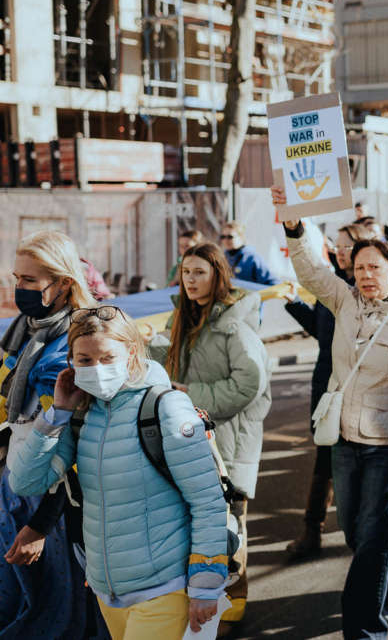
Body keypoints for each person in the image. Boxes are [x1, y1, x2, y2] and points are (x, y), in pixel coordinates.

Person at [272, 182, 388, 638]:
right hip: (344, 441)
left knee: (375, 535)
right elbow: (309, 268)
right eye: (360, 267)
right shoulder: (341, 301)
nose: (366, 275)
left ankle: (364, 631)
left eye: (375, 268)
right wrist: (293, 224)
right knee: (354, 532)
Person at [9, 306, 227, 638]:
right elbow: (24, 481)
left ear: (132, 353)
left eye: (107, 358)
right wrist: (57, 415)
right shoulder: (82, 414)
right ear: (71, 362)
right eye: (84, 360)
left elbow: (208, 502)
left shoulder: (165, 408)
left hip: (165, 590)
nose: (96, 369)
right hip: (108, 593)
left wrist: (205, 586)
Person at [147, 242, 271, 630]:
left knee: (230, 526)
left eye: (200, 272)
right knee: (196, 525)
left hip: (230, 442)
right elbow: (168, 367)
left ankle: (235, 598)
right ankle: (205, 599)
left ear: (218, 274)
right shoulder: (180, 317)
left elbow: (249, 384)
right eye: (186, 272)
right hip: (189, 441)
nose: (191, 280)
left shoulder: (235, 323)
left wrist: (190, 396)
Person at [0, 230, 105, 638]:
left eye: (29, 280)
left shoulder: (79, 344)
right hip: (18, 483)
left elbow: (72, 445)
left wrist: (41, 525)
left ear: (63, 283)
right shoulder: (22, 331)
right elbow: (13, 405)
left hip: (56, 504)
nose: (18, 288)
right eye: (16, 277)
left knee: (59, 615)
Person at [282, 223, 375, 560]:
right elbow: (321, 332)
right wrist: (293, 304)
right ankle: (313, 530)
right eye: (338, 244)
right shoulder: (328, 283)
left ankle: (358, 532)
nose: (340, 250)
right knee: (325, 454)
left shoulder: (366, 289)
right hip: (326, 382)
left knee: (355, 460)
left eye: (348, 245)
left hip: (356, 385)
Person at [219, 221, 278, 286]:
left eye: (230, 237)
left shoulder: (252, 258)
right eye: (223, 237)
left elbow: (273, 283)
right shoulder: (222, 257)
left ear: (241, 237)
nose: (225, 240)